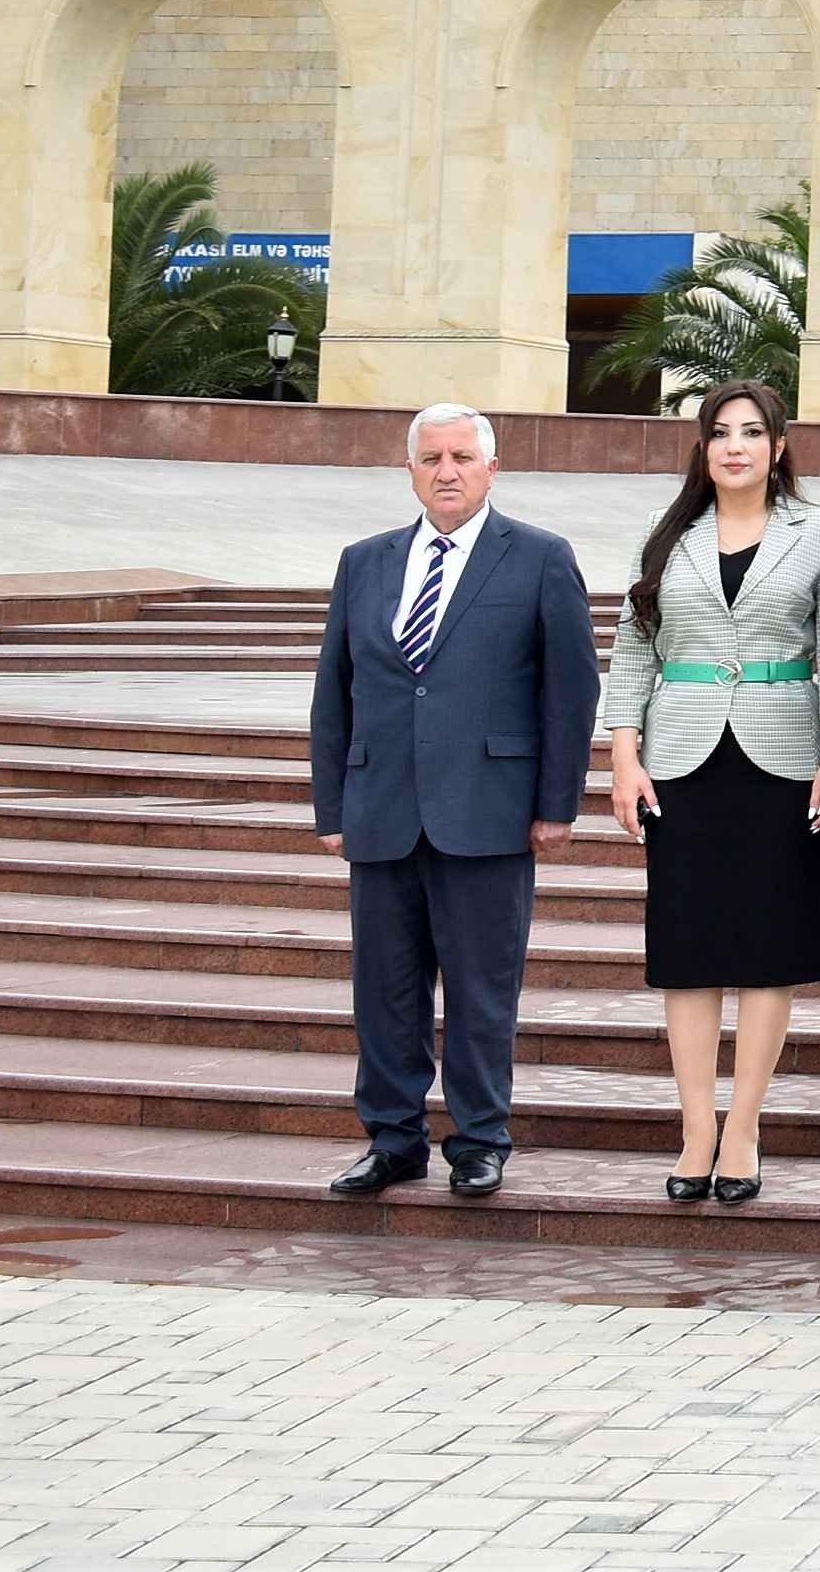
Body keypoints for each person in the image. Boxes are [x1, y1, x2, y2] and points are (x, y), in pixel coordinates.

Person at [309, 404, 595, 1199]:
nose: (446, 470)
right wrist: (332, 808)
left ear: (491, 469)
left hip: (491, 810)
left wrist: (558, 803)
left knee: (480, 988)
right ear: (410, 470)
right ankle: (393, 1138)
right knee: (386, 989)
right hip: (381, 811)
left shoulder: (538, 558)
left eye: (462, 456)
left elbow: (571, 691)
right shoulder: (364, 562)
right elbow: (335, 691)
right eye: (431, 457)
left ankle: (479, 1139)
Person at [598, 378, 820, 1204]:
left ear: (780, 446)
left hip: (784, 755)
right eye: (719, 433)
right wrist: (624, 756)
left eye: (751, 432)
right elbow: (636, 651)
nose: (734, 446)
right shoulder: (669, 536)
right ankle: (695, 1128)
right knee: (689, 949)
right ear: (702, 449)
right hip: (682, 757)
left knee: (769, 947)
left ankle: (744, 1126)